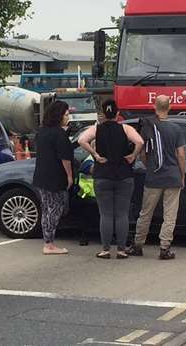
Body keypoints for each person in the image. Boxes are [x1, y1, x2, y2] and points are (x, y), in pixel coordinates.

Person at [78, 99, 144, 259]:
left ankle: (106, 249)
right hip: (124, 174)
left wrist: (95, 155)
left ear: (103, 114)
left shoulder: (97, 129)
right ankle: (121, 249)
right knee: (122, 214)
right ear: (117, 114)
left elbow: (81, 140)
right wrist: (133, 155)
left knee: (106, 214)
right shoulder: (126, 128)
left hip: (102, 174)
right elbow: (140, 141)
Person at [127, 95, 185, 260]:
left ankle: (138, 244)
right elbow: (181, 155)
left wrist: (149, 167)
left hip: (153, 177)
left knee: (146, 212)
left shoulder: (148, 127)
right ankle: (164, 247)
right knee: (170, 215)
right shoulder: (176, 129)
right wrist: (182, 175)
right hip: (172, 176)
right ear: (170, 107)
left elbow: (144, 153)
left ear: (154, 107)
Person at [32, 100, 75, 255]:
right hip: (55, 178)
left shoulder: (42, 132)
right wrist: (69, 176)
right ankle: (49, 244)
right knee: (55, 209)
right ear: (59, 116)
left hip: (41, 176)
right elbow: (65, 158)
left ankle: (47, 240)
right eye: (66, 114)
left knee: (46, 208)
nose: (68, 117)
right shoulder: (59, 134)